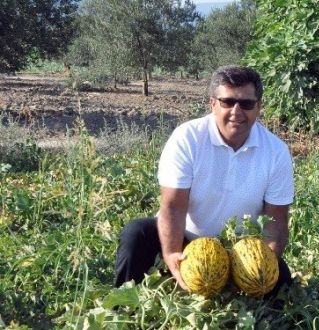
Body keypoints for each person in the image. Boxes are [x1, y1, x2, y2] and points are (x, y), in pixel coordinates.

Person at [114, 65, 294, 298]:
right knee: (136, 233)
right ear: (213, 104)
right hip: (186, 241)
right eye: (227, 102)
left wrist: (261, 269)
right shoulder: (187, 138)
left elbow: (276, 222)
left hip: (239, 250)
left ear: (258, 107)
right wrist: (172, 257)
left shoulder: (276, 151)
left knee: (281, 286)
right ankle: (122, 308)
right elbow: (173, 206)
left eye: (247, 104)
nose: (236, 112)